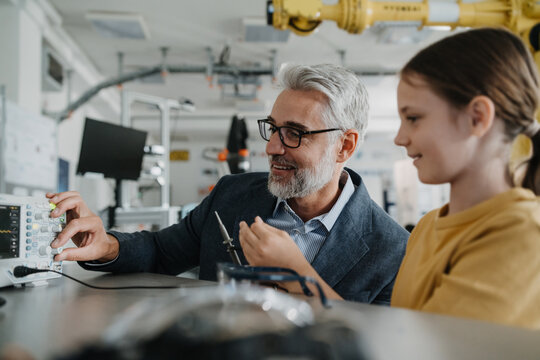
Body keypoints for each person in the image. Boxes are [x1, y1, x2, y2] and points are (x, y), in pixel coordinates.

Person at [48, 64, 409, 304]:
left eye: (295, 134)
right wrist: (107, 245)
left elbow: (377, 343)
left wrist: (299, 275)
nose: (271, 148)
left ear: (344, 145)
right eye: (272, 128)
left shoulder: (392, 248)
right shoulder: (232, 193)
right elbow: (161, 252)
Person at [390, 28, 540, 329]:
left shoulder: (522, 233)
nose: (400, 137)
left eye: (414, 118)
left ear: (477, 118)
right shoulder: (426, 227)